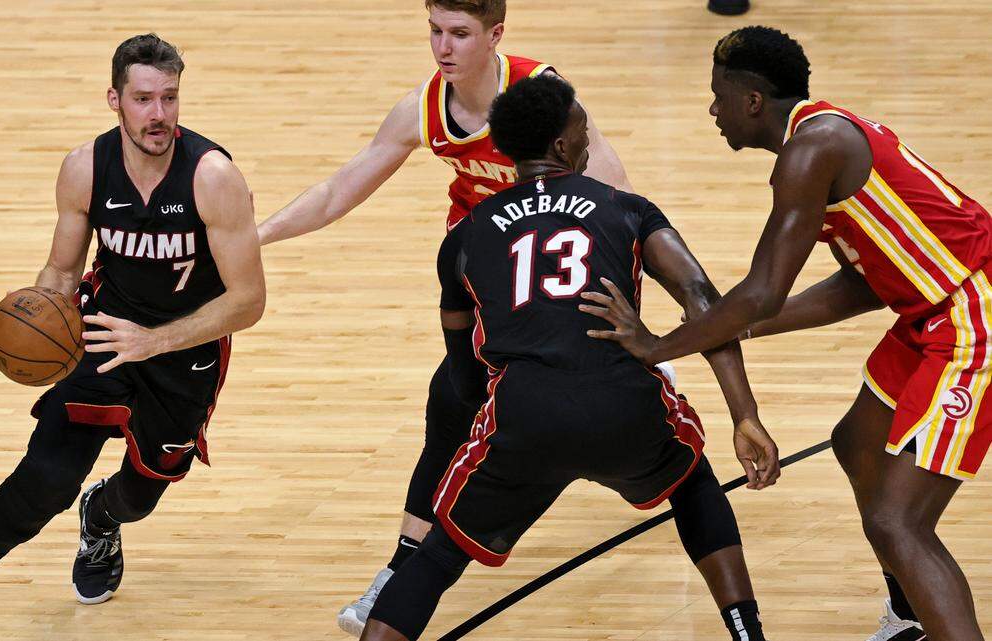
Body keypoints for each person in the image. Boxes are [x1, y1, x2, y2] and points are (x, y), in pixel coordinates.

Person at [583, 25, 990, 641]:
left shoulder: (811, 149)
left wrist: (658, 345)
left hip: (970, 316)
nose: (712, 109)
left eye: (719, 95)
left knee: (897, 523)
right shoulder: (824, 136)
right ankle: (910, 617)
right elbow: (862, 284)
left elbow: (760, 291)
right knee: (857, 443)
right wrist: (744, 329)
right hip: (927, 313)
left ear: (752, 101)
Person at [357, 73, 780, 641]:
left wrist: (517, 427)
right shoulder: (628, 209)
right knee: (691, 478)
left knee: (436, 556)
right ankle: (746, 631)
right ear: (561, 145)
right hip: (623, 404)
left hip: (524, 415)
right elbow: (703, 301)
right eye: (583, 129)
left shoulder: (466, 235)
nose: (588, 139)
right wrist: (744, 415)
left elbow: (462, 368)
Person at [254, 1, 632, 633]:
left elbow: (614, 193)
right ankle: (401, 570)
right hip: (478, 264)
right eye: (435, 31)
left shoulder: (542, 94)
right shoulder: (423, 109)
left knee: (536, 406)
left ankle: (638, 420)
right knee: (451, 403)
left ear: (496, 36)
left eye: (460, 33)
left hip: (546, 260)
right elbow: (338, 189)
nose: (443, 47)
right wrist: (257, 237)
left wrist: (620, 308)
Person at [0, 34, 265, 641]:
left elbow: (248, 302)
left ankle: (102, 516)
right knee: (45, 476)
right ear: (114, 99)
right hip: (101, 336)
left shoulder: (212, 177)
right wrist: (29, 320)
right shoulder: (85, 168)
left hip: (184, 355)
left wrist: (153, 341)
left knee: (140, 497)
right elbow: (63, 271)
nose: (159, 114)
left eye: (169, 98)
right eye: (144, 99)